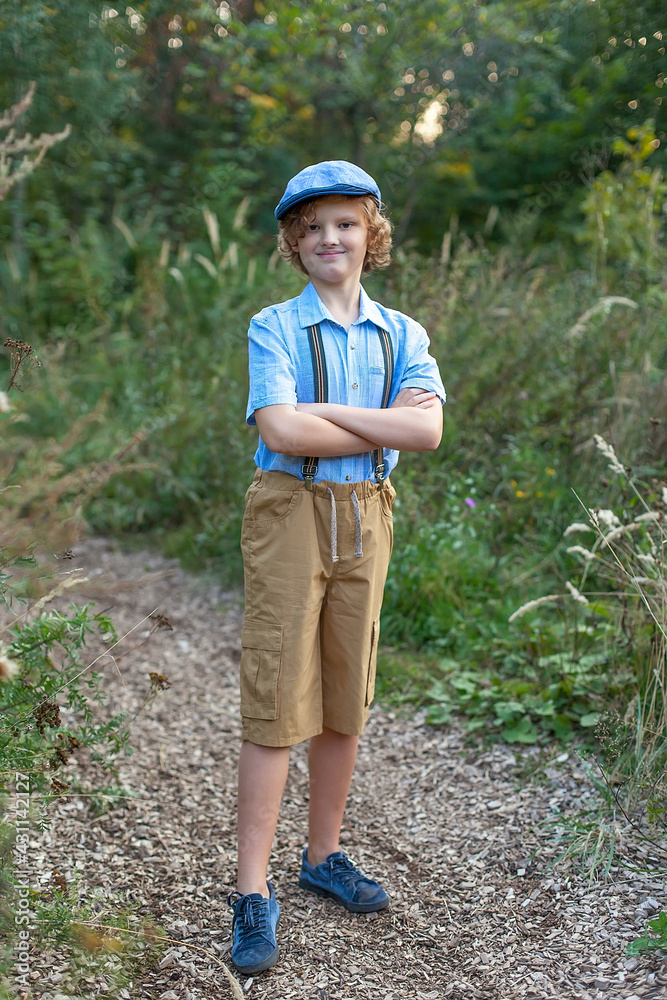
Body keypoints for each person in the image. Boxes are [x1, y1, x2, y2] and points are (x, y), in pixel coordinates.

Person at [227, 161, 445, 975]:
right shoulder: (275, 327)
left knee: (346, 693)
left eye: (346, 224)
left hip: (368, 509)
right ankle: (252, 890)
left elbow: (425, 434)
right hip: (291, 508)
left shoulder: (402, 334)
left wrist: (324, 412)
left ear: (369, 233)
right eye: (312, 227)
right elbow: (281, 432)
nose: (330, 238)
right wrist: (379, 421)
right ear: (294, 241)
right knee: (277, 692)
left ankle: (322, 856)